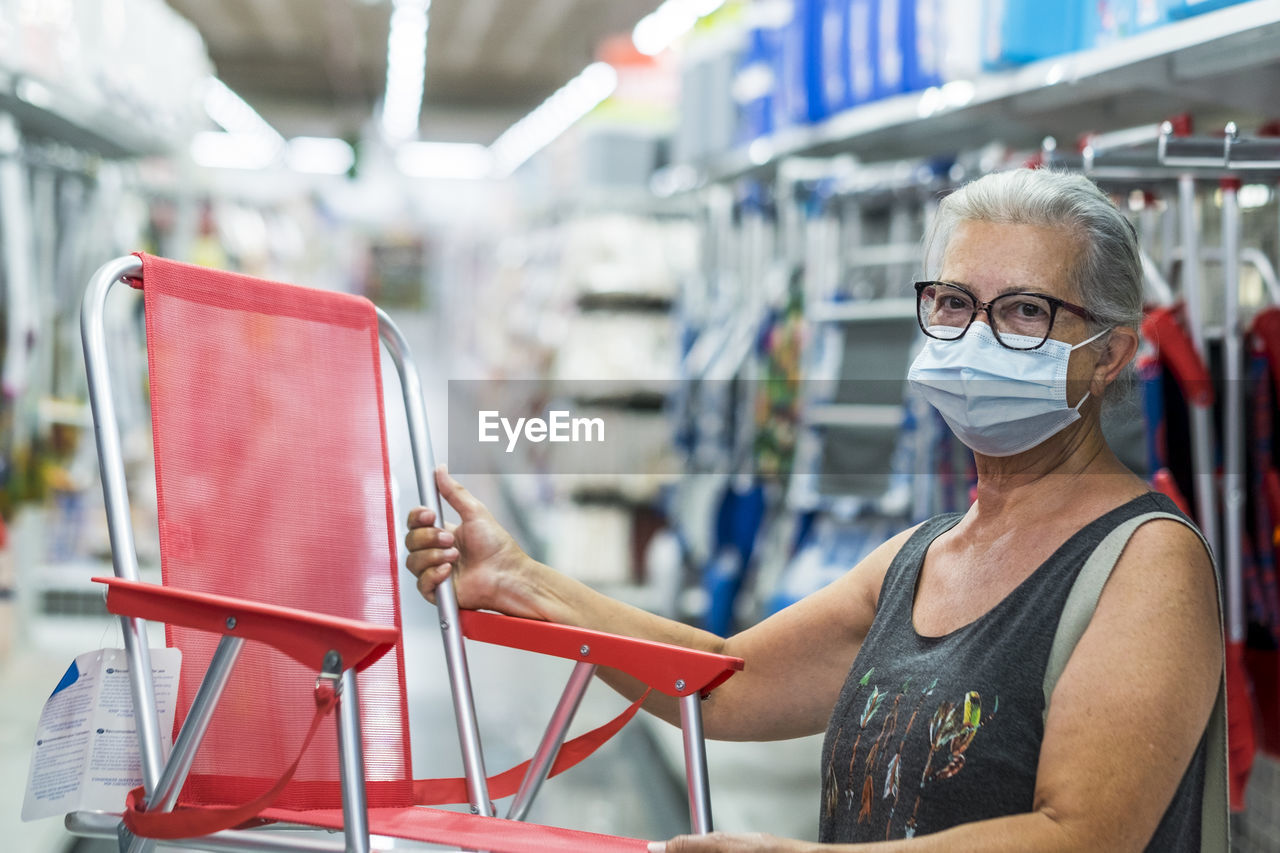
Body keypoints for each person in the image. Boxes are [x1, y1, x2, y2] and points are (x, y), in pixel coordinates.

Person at [404, 169, 1222, 852]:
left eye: (1023, 311)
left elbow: (1083, 836)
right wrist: (521, 579)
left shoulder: (1142, 563)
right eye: (953, 302)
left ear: (1111, 352)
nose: (975, 337)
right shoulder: (924, 557)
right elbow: (722, 680)